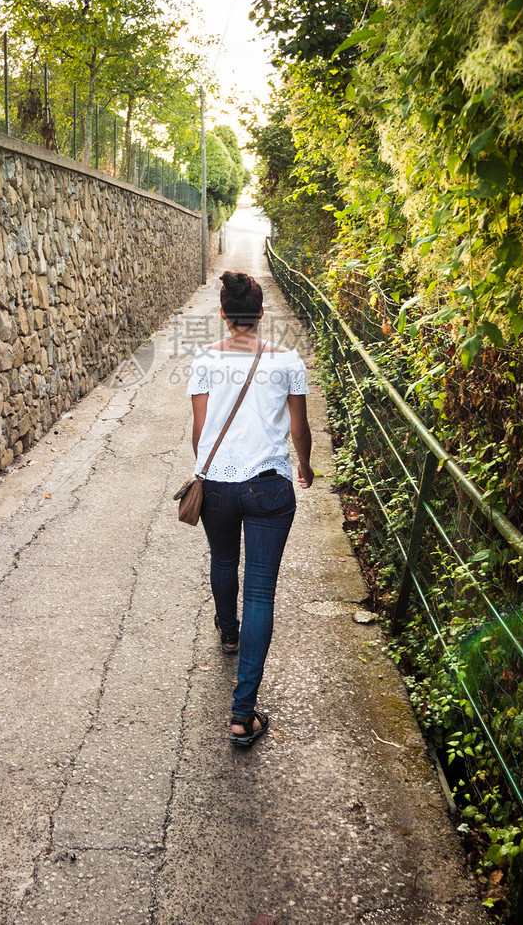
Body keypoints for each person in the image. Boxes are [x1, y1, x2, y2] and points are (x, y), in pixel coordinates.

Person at [187, 270, 314, 748]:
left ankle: (228, 635)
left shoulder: (205, 360)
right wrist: (304, 466)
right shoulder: (287, 361)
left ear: (224, 313)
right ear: (261, 314)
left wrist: (204, 470)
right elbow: (299, 431)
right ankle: (242, 715)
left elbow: (199, 432)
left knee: (222, 560)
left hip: (217, 484)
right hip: (268, 488)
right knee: (260, 592)